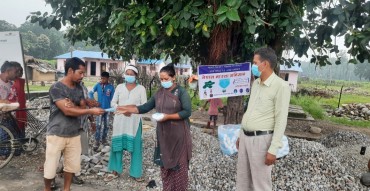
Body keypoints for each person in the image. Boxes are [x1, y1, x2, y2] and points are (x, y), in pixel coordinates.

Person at [117, 64, 192, 191]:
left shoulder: (181, 92)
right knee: (165, 166)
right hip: (164, 135)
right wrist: (126, 108)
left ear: (173, 77)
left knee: (179, 167)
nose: (163, 82)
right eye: (161, 79)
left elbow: (187, 112)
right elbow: (146, 107)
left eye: (165, 79)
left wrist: (167, 117)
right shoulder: (159, 93)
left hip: (179, 136)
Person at [43, 57, 104, 191]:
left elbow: (81, 108)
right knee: (50, 167)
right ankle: (46, 189)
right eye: (80, 73)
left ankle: (67, 189)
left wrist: (77, 106)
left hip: (74, 133)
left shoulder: (79, 88)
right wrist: (88, 110)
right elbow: (67, 111)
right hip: (56, 133)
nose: (82, 76)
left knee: (71, 166)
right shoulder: (56, 88)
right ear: (70, 70)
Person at [235, 47, 291, 190]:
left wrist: (273, 149)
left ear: (264, 64)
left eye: (255, 62)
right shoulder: (256, 84)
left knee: (260, 185)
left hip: (261, 141)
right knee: (242, 181)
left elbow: (281, 120)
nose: (253, 66)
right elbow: (249, 111)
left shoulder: (281, 86)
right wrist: (241, 135)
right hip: (246, 138)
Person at [104, 65, 147, 182]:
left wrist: (131, 109)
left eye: (131, 74)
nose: (129, 76)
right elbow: (113, 103)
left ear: (136, 76)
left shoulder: (141, 89)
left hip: (135, 121)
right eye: (127, 73)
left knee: (136, 147)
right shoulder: (119, 87)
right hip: (120, 120)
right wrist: (123, 109)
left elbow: (144, 106)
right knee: (117, 145)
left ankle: (136, 173)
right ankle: (115, 170)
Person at [89, 71, 115, 150]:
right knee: (98, 125)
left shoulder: (111, 87)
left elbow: (113, 99)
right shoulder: (98, 85)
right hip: (99, 109)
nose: (102, 80)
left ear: (108, 78)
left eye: (104, 78)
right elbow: (90, 93)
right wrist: (94, 101)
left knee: (107, 125)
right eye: (101, 78)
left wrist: (113, 108)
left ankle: (104, 139)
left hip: (107, 109)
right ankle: (97, 141)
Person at [0, 61, 19, 158]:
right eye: (15, 72)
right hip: (1, 114)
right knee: (3, 135)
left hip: (8, 113)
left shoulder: (11, 83)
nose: (16, 74)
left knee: (13, 134)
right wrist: (3, 101)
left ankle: (11, 153)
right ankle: (2, 154)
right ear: (8, 71)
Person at [8, 62, 26, 138]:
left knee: (14, 133)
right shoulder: (19, 82)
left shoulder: (16, 83)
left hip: (14, 111)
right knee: (19, 131)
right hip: (20, 110)